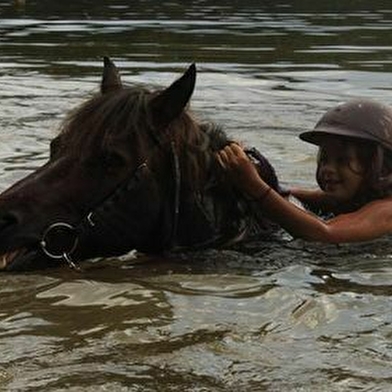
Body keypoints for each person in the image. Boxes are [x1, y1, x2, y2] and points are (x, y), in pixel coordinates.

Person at [217, 98, 392, 243]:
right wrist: (250, 173)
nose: (328, 169)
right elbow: (286, 194)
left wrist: (254, 185)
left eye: (342, 160)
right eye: (324, 160)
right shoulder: (352, 197)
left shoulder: (386, 210)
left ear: (380, 167)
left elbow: (326, 233)